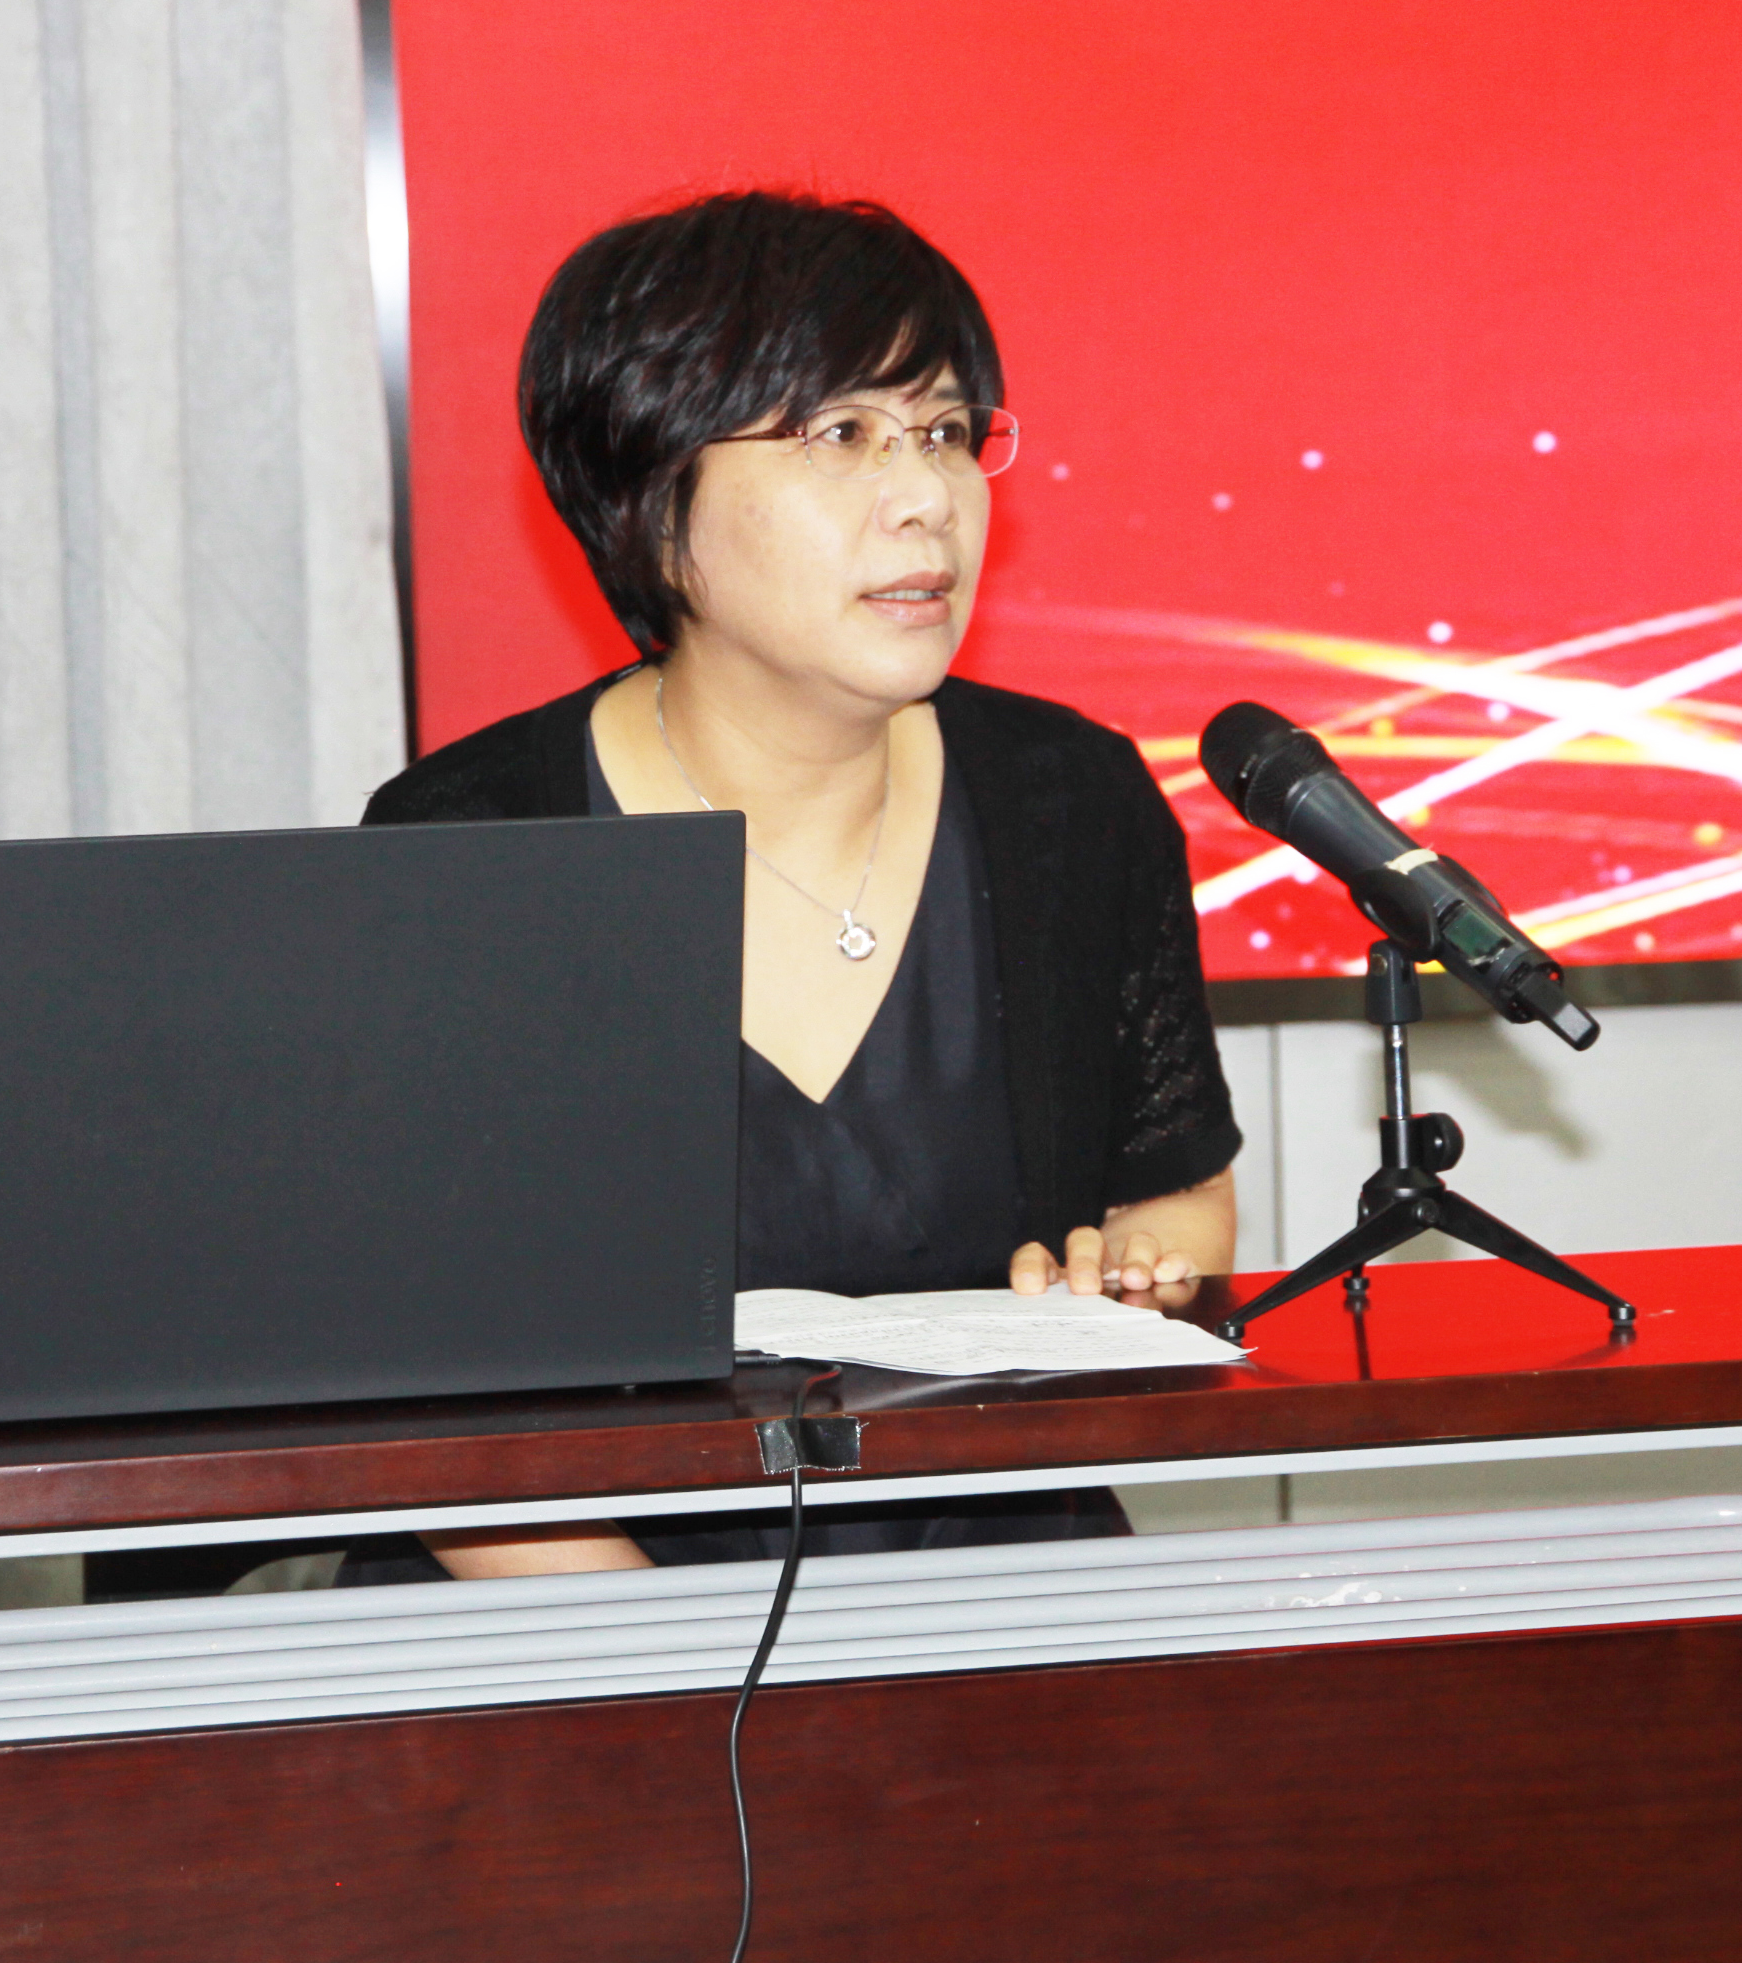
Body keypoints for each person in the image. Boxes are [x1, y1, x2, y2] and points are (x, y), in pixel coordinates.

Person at [340, 191, 1239, 1584]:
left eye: (946, 431)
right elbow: (431, 1383)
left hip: (997, 1601)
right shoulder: (470, 841)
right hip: (581, 1628)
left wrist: (1124, 1278)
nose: (925, 496)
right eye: (842, 434)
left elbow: (1176, 1192)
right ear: (651, 498)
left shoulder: (1071, 799)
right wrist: (698, 1682)